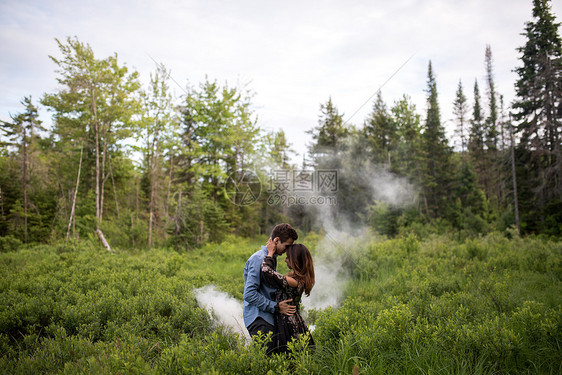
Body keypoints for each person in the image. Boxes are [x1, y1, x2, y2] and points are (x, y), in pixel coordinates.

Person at [243, 223, 298, 353]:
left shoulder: (270, 258)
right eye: (287, 246)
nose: (287, 250)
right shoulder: (259, 259)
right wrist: (276, 306)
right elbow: (249, 294)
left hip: (266, 317)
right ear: (277, 240)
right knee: (267, 363)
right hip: (260, 319)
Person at [261, 242, 315, 354]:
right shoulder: (300, 279)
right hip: (293, 319)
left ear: (295, 261)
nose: (285, 260)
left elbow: (266, 271)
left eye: (287, 258)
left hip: (287, 322)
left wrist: (270, 252)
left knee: (287, 356)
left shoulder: (293, 282)